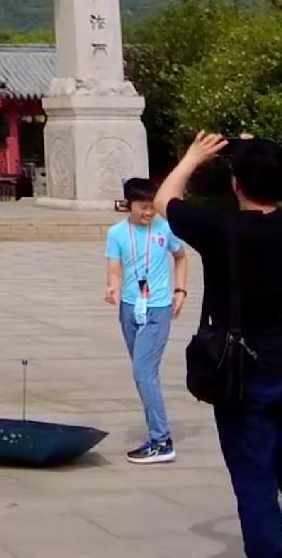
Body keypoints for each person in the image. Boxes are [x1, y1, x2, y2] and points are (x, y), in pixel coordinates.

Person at [157, 132, 282, 558]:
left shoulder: (219, 228)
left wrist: (193, 158)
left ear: (236, 183)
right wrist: (270, 154)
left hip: (242, 378)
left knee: (256, 487)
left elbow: (166, 199)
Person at [104, 175, 190, 465]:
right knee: (143, 376)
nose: (149, 213)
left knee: (143, 371)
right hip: (130, 308)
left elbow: (181, 257)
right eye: (143, 207)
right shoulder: (116, 233)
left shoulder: (165, 228)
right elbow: (114, 266)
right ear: (129, 204)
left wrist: (180, 290)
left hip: (157, 308)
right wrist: (112, 285)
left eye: (152, 207)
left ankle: (162, 439)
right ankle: (156, 436)